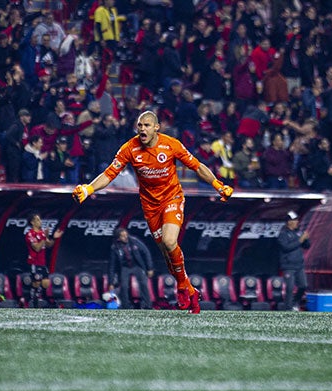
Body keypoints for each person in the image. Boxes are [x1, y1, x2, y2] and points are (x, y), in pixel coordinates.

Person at [72, 111, 233, 314]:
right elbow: (110, 173)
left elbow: (197, 167)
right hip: (150, 206)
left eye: (147, 125)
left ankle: (182, 286)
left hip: (172, 198)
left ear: (157, 127)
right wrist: (88, 189)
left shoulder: (171, 144)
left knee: (169, 241)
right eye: (139, 125)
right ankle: (190, 290)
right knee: (166, 253)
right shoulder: (129, 148)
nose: (142, 129)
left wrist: (218, 185)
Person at [109, 227, 155, 309]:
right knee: (124, 286)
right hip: (124, 267)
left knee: (143, 284)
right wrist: (111, 282)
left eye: (126, 235)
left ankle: (148, 305)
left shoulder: (134, 241)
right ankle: (125, 306)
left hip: (137, 265)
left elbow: (146, 252)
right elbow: (112, 265)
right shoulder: (115, 247)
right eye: (123, 236)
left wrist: (149, 268)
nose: (126, 237)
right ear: (118, 238)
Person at [25, 212, 63, 308]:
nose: (40, 221)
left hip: (42, 263)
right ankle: (32, 303)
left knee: (46, 283)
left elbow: (49, 245)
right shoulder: (30, 234)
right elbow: (37, 248)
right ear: (32, 222)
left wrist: (54, 238)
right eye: (37, 220)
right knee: (36, 283)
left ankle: (39, 298)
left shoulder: (41, 233)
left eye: (40, 219)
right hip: (34, 262)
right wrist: (43, 237)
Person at [277, 211, 310, 311]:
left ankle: (295, 302)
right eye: (294, 220)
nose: (297, 222)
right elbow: (286, 247)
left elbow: (307, 246)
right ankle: (288, 308)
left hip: (299, 265)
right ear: (288, 222)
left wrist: (306, 239)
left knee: (303, 285)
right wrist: (300, 240)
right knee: (290, 288)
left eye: (297, 220)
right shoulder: (283, 234)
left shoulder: (298, 232)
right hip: (288, 266)